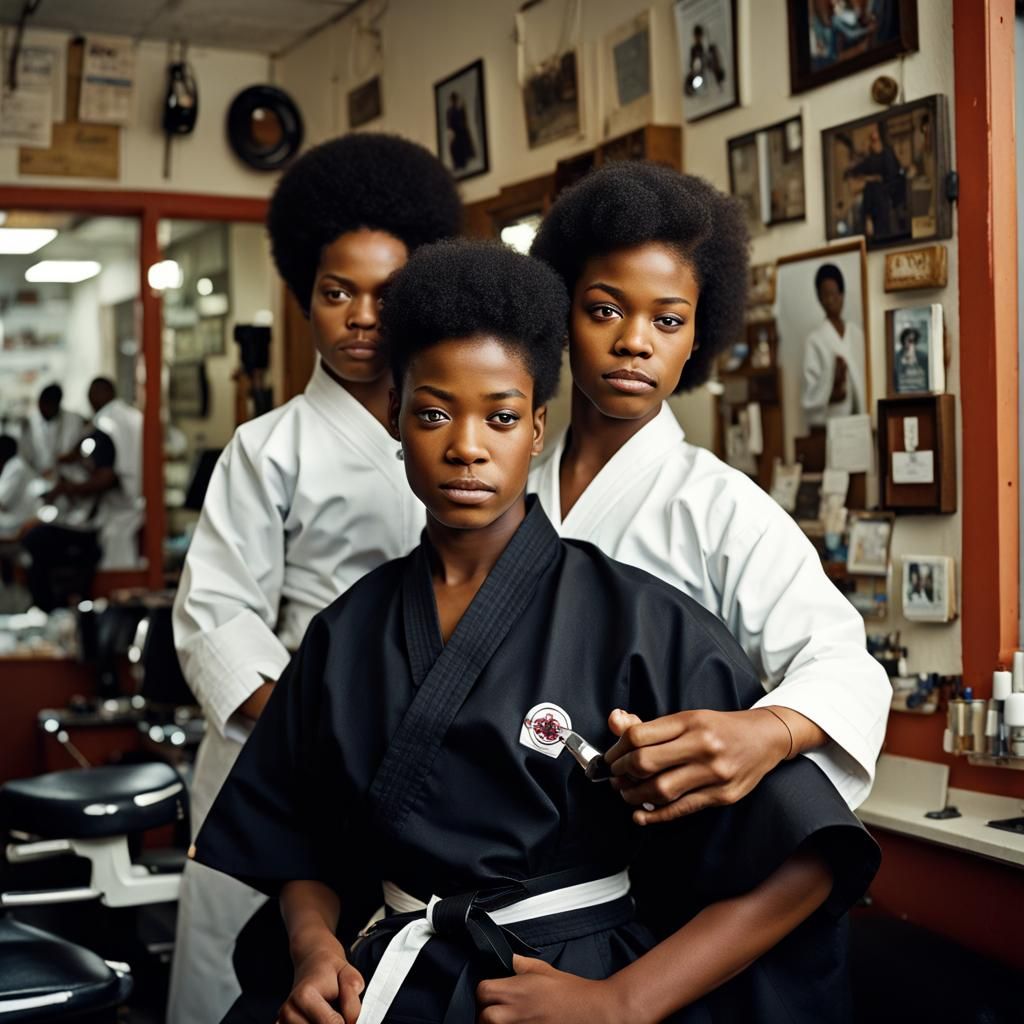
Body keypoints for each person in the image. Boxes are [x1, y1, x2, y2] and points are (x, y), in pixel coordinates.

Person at [193, 239, 879, 1024]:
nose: (467, 447)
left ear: (536, 427)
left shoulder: (641, 620)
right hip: (387, 979)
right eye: (433, 413)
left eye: (501, 417)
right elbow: (300, 839)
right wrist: (315, 947)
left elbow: (810, 849)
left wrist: (623, 1002)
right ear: (395, 418)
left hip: (571, 981)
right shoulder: (345, 630)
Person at [168, 133, 462, 1024]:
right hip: (289, 748)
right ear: (306, 297)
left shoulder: (451, 434)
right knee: (250, 983)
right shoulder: (268, 449)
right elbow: (218, 618)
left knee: (389, 976)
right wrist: (322, 730)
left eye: (387, 294)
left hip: (422, 756)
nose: (363, 317)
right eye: (338, 293)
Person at [529, 163, 890, 819]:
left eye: (668, 320)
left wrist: (764, 732)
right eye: (605, 310)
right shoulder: (508, 490)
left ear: (698, 336)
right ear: (562, 312)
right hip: (504, 837)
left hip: (655, 849)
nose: (634, 342)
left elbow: (847, 666)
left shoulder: (722, 508)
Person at [19, 428, 121, 610]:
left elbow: (104, 480)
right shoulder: (72, 465)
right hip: (73, 526)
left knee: (36, 540)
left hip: (87, 530)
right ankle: (47, 605)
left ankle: (51, 605)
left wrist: (67, 488)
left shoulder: (97, 459)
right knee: (34, 546)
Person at [84, 377, 145, 567]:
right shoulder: (135, 416)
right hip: (138, 503)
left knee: (116, 565)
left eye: (91, 396)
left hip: (118, 507)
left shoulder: (104, 422)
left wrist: (71, 488)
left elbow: (106, 476)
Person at [800, 262, 868, 429]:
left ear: (842, 294)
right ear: (819, 298)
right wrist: (832, 382)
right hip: (832, 424)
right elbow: (810, 394)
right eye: (825, 295)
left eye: (834, 294)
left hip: (862, 420)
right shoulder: (815, 340)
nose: (830, 300)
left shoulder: (857, 334)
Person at [18, 383, 85, 476]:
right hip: (38, 475)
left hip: (70, 474)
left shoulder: (74, 419)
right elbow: (25, 455)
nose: (44, 409)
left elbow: (80, 449)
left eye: (49, 405)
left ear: (57, 404)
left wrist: (72, 455)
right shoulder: (30, 422)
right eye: (42, 404)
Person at [0, 435, 40, 535]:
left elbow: (2, 502)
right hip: (13, 521)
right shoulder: (15, 464)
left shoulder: (15, 467)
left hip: (13, 524)